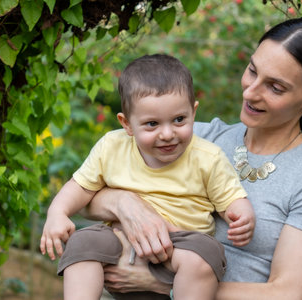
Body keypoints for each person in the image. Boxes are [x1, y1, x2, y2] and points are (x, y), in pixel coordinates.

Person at [81, 17, 302, 299]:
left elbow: (287, 292)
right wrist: (126, 204)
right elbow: (85, 194)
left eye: (275, 87)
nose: (250, 91)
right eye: (252, 71)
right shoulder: (195, 138)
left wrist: (164, 284)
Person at [40, 54, 255, 299]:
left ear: (193, 112)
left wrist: (241, 214)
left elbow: (230, 198)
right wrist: (57, 213)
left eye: (179, 120)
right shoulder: (112, 146)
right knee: (82, 243)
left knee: (204, 257)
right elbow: (80, 187)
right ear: (127, 124)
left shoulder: (208, 157)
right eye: (152, 124)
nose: (167, 134)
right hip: (120, 238)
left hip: (181, 244)